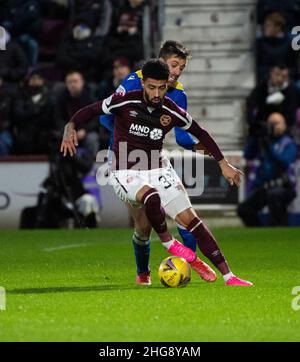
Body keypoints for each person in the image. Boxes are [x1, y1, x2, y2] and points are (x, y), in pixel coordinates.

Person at [61, 59, 253, 286]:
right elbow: (90, 111)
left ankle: (229, 276)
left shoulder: (171, 109)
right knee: (150, 200)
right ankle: (169, 243)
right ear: (143, 83)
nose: (156, 93)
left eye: (161, 87)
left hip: (157, 168)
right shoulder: (124, 100)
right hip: (125, 170)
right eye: (151, 87)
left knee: (193, 221)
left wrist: (223, 163)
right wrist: (70, 126)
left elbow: (201, 133)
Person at [100, 40, 212, 285]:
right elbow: (104, 116)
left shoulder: (179, 93)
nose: (177, 72)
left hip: (154, 159)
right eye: (173, 65)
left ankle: (184, 268)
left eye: (181, 67)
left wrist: (203, 148)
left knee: (184, 215)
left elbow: (182, 136)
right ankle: (143, 274)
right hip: (125, 158)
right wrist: (128, 135)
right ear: (161, 62)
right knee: (143, 225)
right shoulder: (133, 81)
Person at [238, 112, 297, 226]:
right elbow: (248, 155)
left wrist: (269, 146)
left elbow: (284, 162)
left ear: (284, 125)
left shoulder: (288, 143)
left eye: (276, 123)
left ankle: (278, 230)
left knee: (274, 196)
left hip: (284, 187)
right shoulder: (262, 141)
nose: (272, 126)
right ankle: (258, 232)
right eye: (270, 123)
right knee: (244, 209)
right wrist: (254, 138)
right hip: (265, 188)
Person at [247, 64, 298, 128]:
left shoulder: (291, 89)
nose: (279, 79)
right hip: (263, 122)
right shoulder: (263, 85)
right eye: (277, 75)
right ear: (271, 73)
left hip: (284, 124)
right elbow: (251, 103)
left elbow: (291, 113)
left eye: (284, 76)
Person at [256, 12, 297, 80]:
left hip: (285, 79)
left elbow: (294, 68)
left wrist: (285, 72)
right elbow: (257, 67)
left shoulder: (288, 44)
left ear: (278, 27)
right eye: (265, 25)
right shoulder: (260, 43)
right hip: (266, 80)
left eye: (268, 26)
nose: (265, 28)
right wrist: (272, 71)